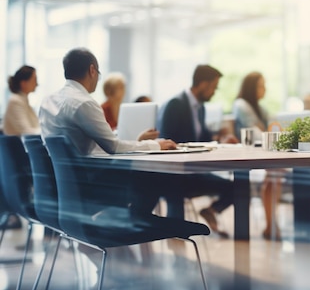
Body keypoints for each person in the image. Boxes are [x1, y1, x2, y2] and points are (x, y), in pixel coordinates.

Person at [39, 48, 229, 227]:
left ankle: (131, 227)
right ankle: (135, 227)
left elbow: (96, 141)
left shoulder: (49, 101)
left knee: (149, 178)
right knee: (154, 177)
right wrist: (154, 145)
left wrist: (137, 141)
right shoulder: (84, 103)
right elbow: (112, 147)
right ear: (92, 70)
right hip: (92, 186)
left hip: (66, 186)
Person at [158, 64, 237, 237]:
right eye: (213, 88)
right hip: (173, 174)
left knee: (237, 187)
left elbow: (202, 137)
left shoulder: (199, 108)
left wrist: (220, 139)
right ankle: (176, 242)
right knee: (175, 191)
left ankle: (211, 211)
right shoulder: (175, 105)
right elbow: (166, 140)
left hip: (191, 172)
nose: (214, 92)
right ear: (203, 84)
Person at [232, 71, 282, 240]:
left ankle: (271, 223)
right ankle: (271, 223)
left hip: (262, 150)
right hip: (248, 153)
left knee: (276, 174)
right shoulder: (241, 105)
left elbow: (270, 127)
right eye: (261, 85)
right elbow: (260, 131)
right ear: (251, 87)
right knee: (275, 174)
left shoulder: (260, 108)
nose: (264, 89)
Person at [3, 65, 40, 136]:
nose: (37, 84)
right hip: (18, 145)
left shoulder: (23, 101)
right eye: (34, 80)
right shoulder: (15, 101)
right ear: (24, 83)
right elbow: (26, 131)